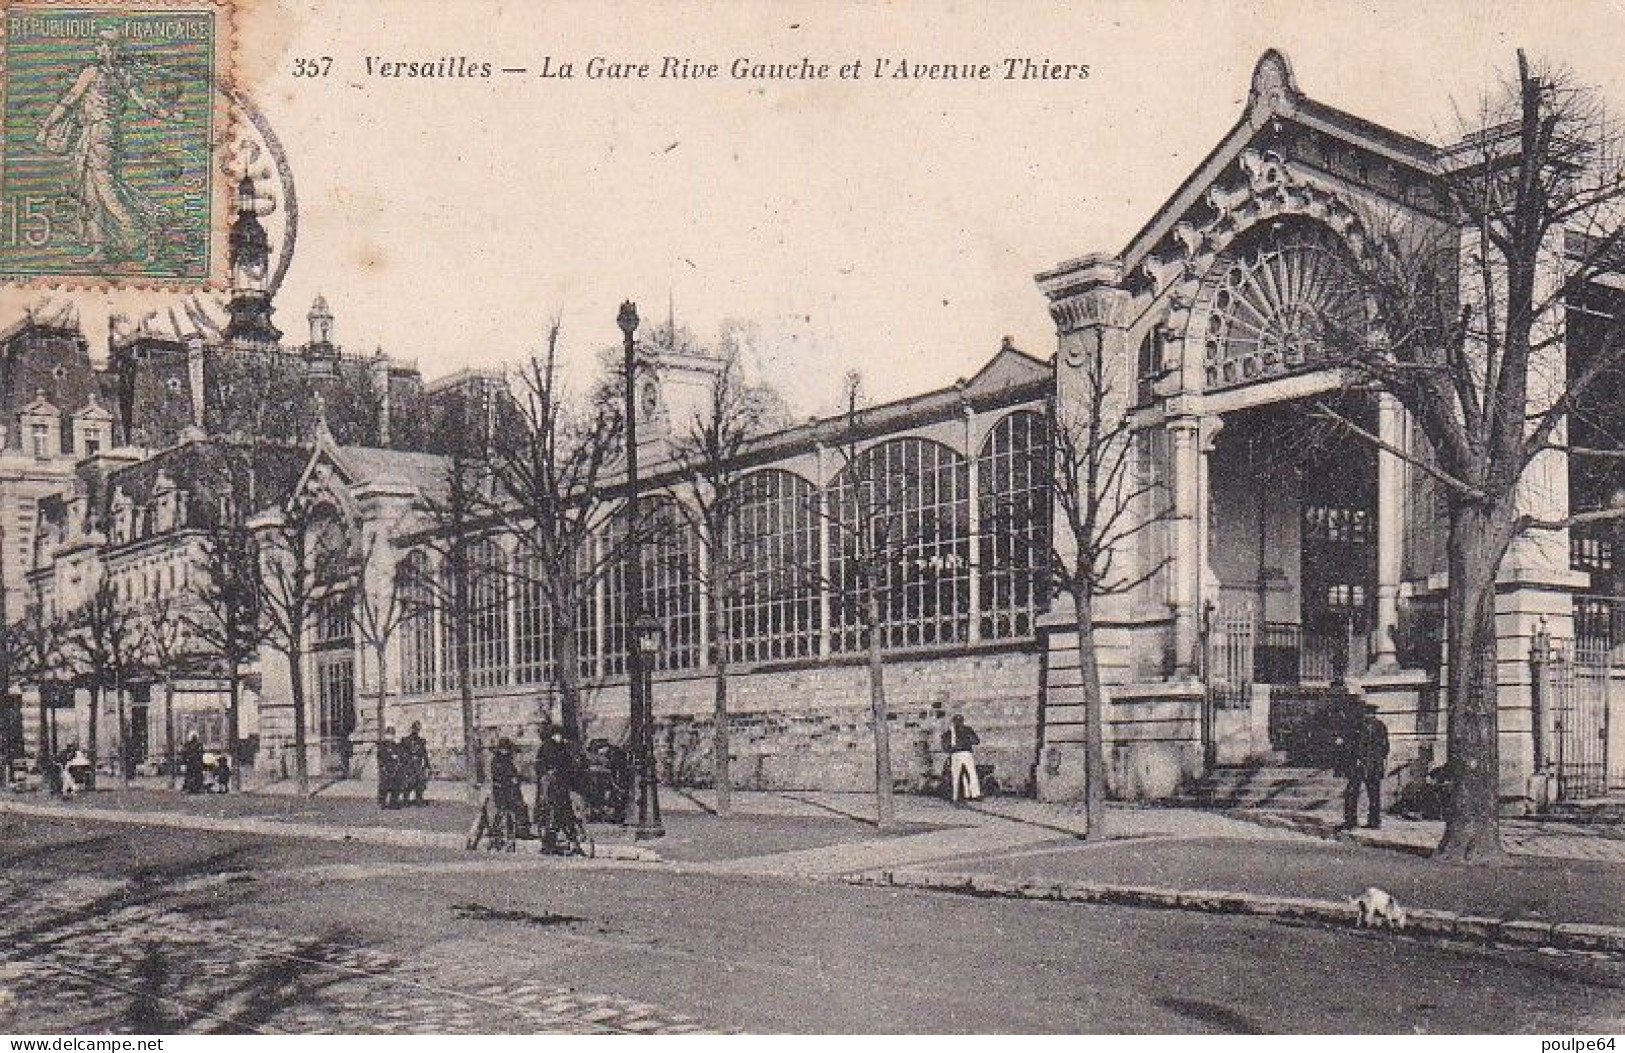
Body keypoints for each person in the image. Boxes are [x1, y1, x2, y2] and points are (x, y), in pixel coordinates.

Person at [1340, 702, 1390, 830]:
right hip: (1373, 765)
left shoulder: (1359, 726)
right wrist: (1379, 761)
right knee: (1373, 794)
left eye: (1368, 713)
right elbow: (1386, 748)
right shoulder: (1381, 726)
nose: (1368, 715)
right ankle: (1374, 821)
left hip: (1360, 764)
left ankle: (1351, 821)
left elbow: (1354, 746)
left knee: (1352, 792)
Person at [532, 724, 580, 850]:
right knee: (553, 812)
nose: (559, 737)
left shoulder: (563, 747)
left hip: (562, 784)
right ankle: (550, 843)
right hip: (551, 786)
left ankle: (571, 838)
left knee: (566, 811)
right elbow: (539, 766)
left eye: (560, 735)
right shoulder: (546, 747)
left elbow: (568, 763)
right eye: (557, 735)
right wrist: (548, 773)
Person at [488, 737, 528, 837]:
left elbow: (514, 773)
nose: (505, 751)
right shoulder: (496, 760)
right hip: (501, 789)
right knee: (502, 810)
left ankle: (521, 830)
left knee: (520, 807)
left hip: (512, 789)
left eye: (506, 749)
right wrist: (510, 779)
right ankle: (496, 829)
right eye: (503, 748)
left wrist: (517, 778)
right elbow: (497, 776)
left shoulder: (509, 760)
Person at [942, 714, 982, 803]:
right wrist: (952, 748)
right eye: (957, 721)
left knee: (969, 773)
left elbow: (976, 741)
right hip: (956, 754)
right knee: (959, 775)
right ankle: (958, 796)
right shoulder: (949, 732)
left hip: (965, 753)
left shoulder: (967, 730)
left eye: (960, 721)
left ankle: (972, 794)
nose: (959, 723)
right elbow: (945, 746)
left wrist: (966, 740)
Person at [400, 721, 431, 806]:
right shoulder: (405, 740)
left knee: (420, 782)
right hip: (409, 764)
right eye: (415, 728)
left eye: (418, 729)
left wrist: (427, 765)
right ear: (412, 729)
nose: (416, 730)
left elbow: (424, 753)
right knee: (408, 783)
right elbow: (402, 753)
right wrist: (403, 764)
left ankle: (419, 799)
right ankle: (406, 800)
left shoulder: (421, 741)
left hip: (418, 764)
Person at [377, 726, 401, 810]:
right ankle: (383, 803)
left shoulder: (396, 745)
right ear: (386, 735)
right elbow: (380, 757)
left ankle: (393, 803)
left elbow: (399, 755)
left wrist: (397, 759)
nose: (390, 736)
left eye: (392, 735)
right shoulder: (382, 745)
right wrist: (383, 766)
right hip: (385, 768)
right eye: (389, 734)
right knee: (384, 787)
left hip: (394, 768)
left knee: (395, 786)